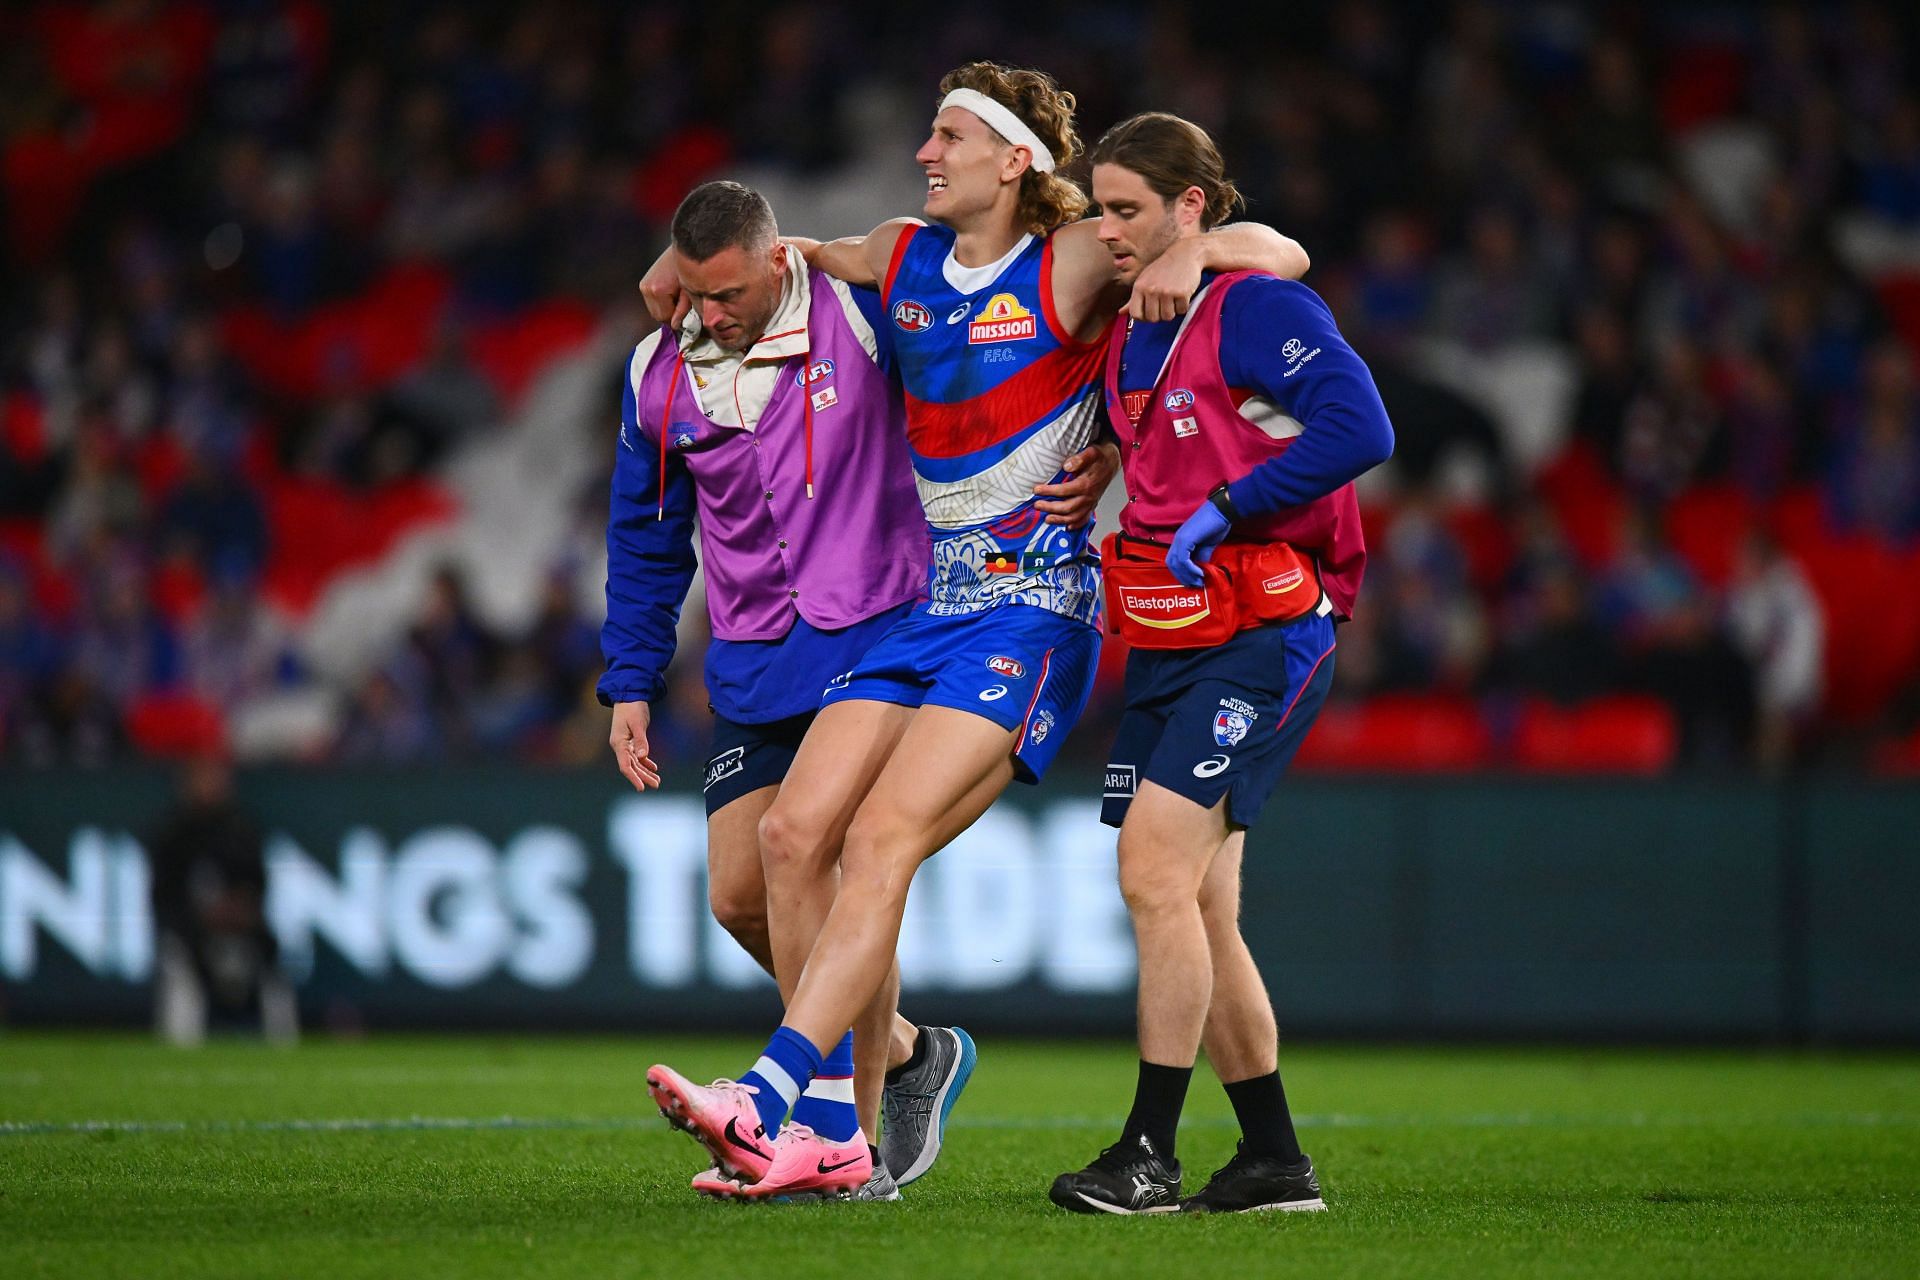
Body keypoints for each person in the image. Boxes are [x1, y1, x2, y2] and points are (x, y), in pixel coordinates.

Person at [643, 63, 1311, 1202]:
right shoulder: (899, 252)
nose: (924, 152)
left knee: (879, 839)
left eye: (947, 134)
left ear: (1014, 160)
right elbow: (775, 255)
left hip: (1031, 603)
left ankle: (785, 1106)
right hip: (922, 604)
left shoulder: (1070, 259)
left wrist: (1197, 250)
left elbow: (1280, 256)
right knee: (797, 835)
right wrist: (668, 263)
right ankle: (848, 1118)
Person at [603, 179, 1114, 1198]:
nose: (711, 315)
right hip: (751, 657)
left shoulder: (857, 310)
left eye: (731, 292)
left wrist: (1095, 445)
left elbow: (994, 323)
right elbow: (647, 535)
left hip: (882, 625)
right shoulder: (659, 374)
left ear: (777, 259)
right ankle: (917, 1051)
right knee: (740, 894)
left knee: (808, 846)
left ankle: (839, 1131)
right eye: (694, 296)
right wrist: (629, 678)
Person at [1048, 113, 1393, 1215]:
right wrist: (1115, 452)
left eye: (1129, 208)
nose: (1107, 228)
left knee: (1151, 872)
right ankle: (1273, 1159)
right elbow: (1177, 430)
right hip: (1173, 628)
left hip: (1263, 625)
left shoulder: (1252, 303)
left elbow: (1362, 424)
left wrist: (1235, 503)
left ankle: (1148, 1151)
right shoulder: (1132, 323)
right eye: (1098, 206)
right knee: (1199, 904)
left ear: (1193, 207)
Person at [149, 752, 298, 1047]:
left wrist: (240, 907)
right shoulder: (172, 832)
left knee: (272, 956)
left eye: (216, 778)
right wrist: (197, 914)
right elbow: (162, 893)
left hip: (240, 927)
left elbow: (257, 882)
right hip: (189, 929)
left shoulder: (240, 828)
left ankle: (283, 1042)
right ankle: (180, 1046)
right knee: (180, 966)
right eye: (203, 778)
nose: (211, 786)